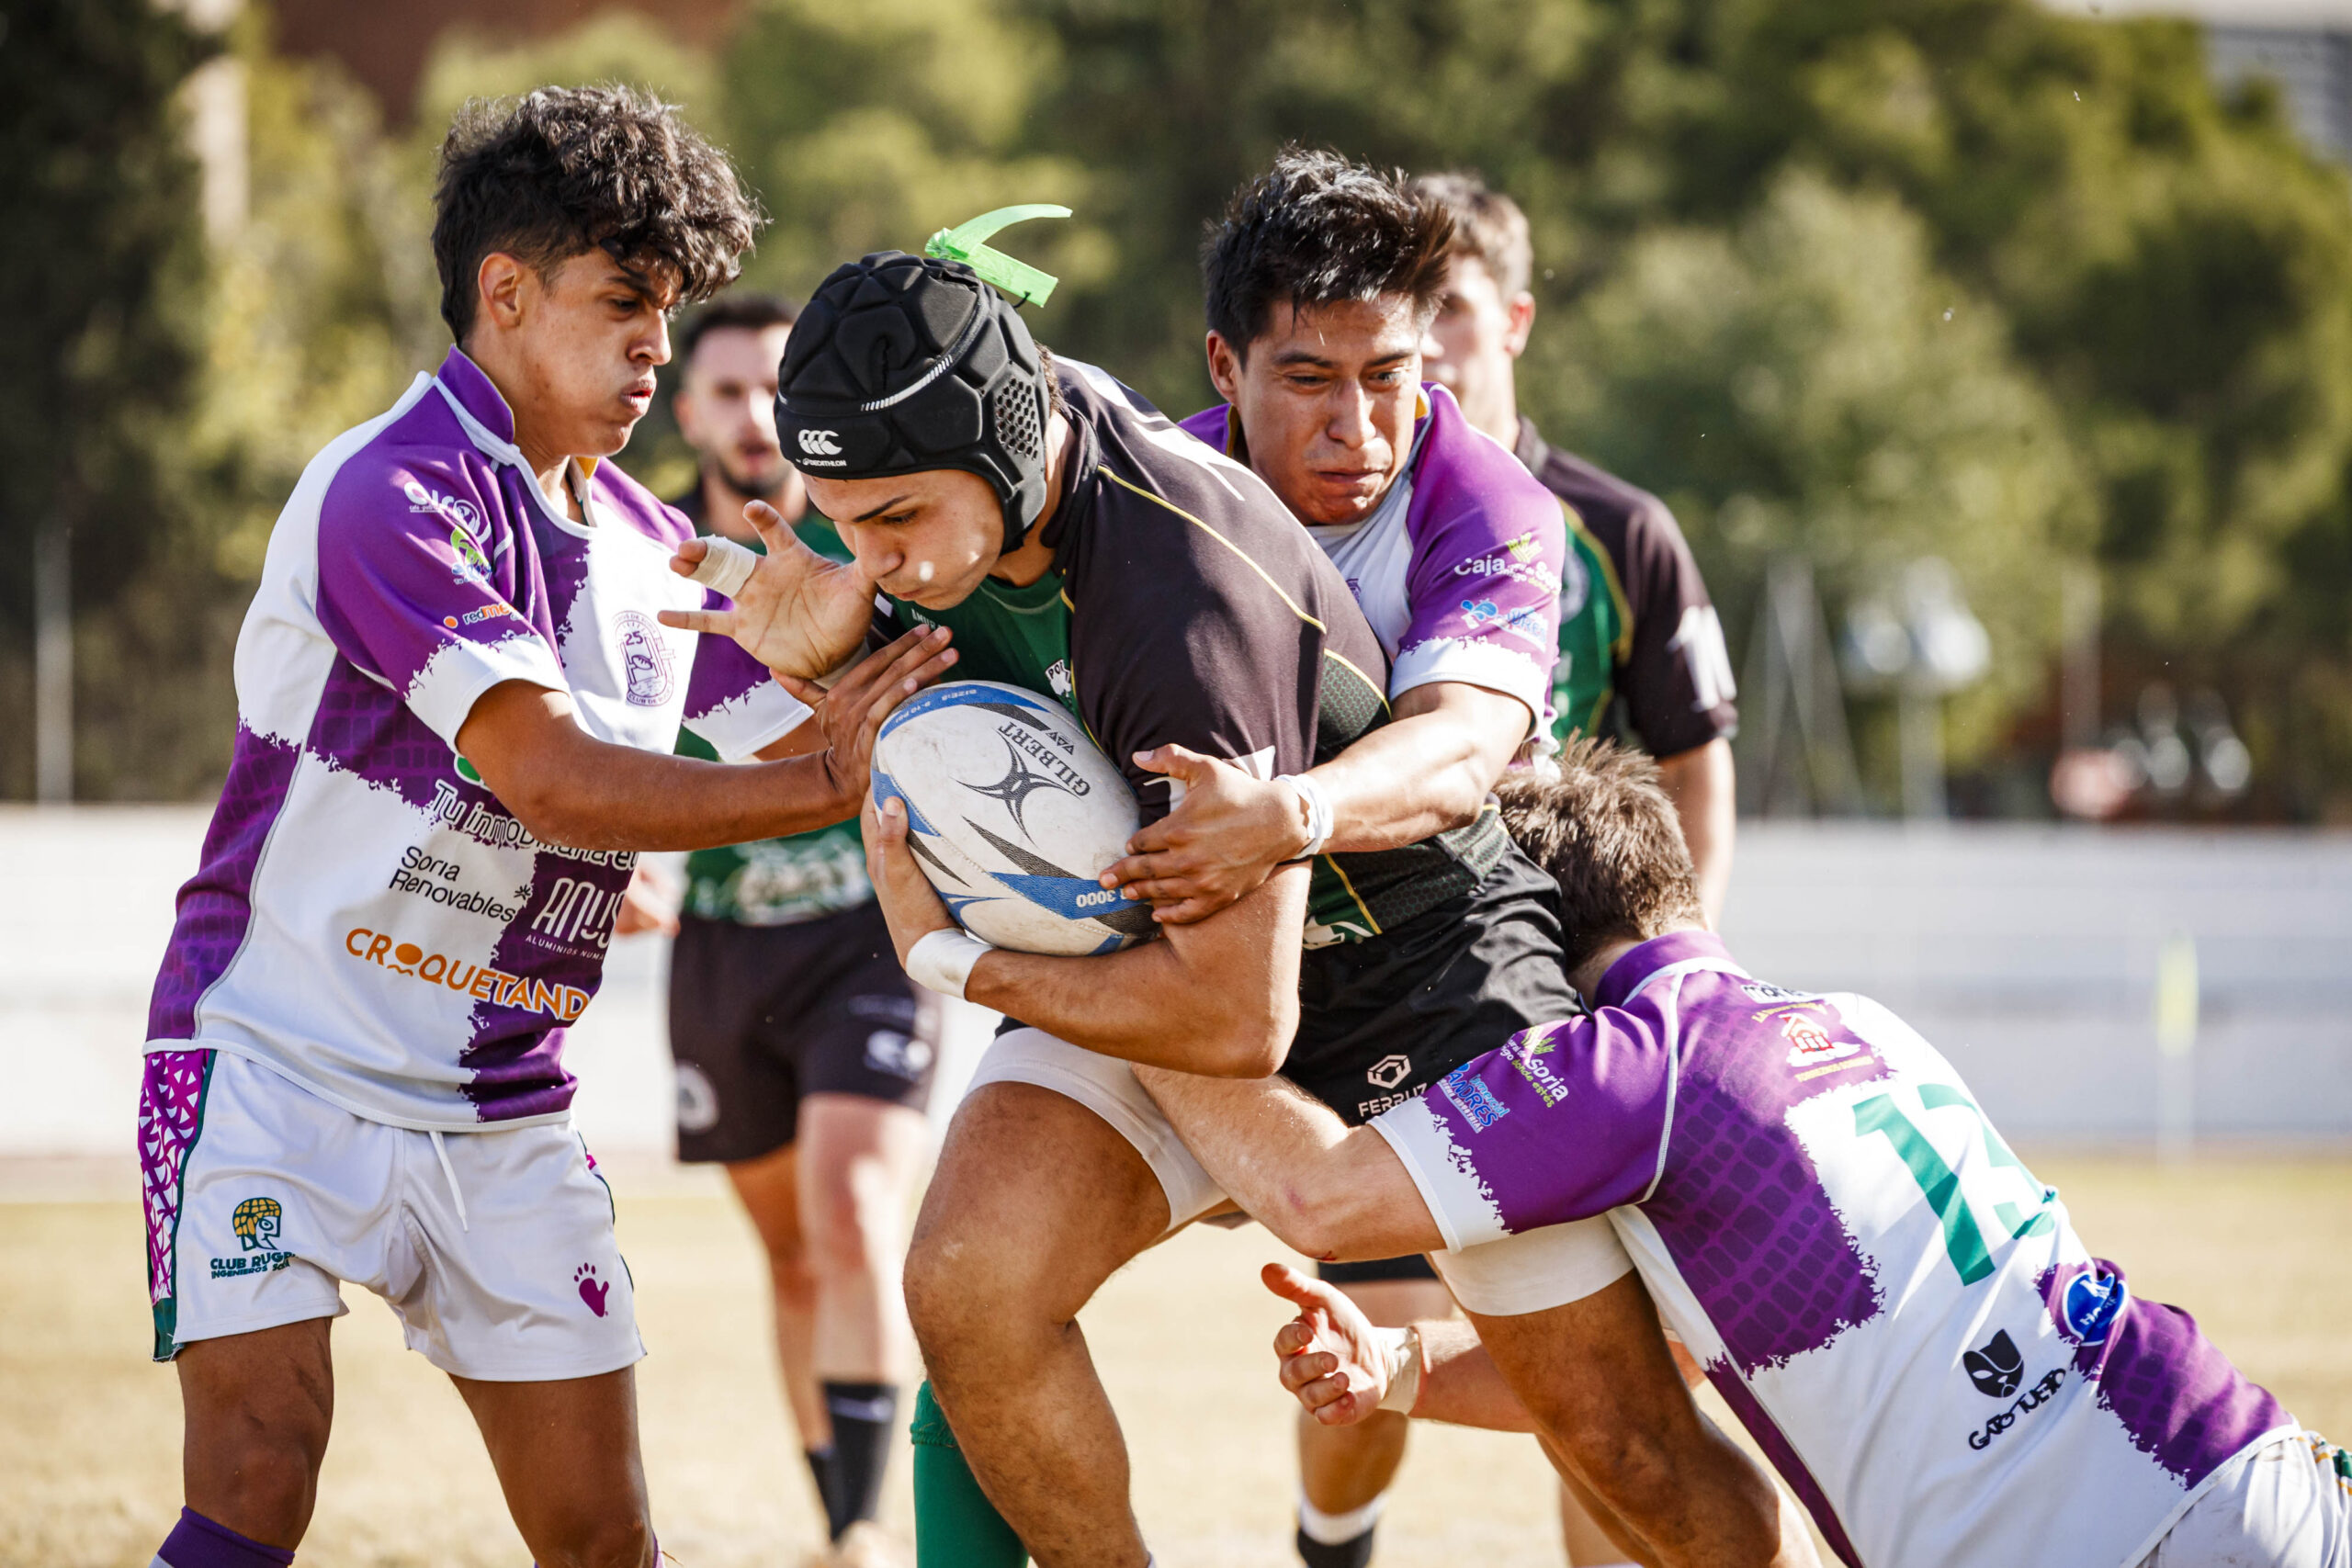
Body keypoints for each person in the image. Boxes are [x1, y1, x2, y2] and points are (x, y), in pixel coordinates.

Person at [673, 238, 1798, 1567]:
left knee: (1626, 1445)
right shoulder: (970, 460)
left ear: (1002, 442)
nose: (868, 558)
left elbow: (1232, 1024)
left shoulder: (1182, 597)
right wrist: (836, 669)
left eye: (896, 520)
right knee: (972, 1285)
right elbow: (959, 730)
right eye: (845, 518)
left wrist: (955, 962)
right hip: (1167, 938)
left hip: (1410, 970)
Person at [136, 88, 954, 1568]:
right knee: (259, 1473)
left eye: (670, 307)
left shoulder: (656, 550)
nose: (657, 343)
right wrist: (842, 765)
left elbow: (843, 750)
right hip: (271, 1062)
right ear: (503, 295)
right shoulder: (392, 493)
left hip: (506, 1103)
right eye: (625, 302)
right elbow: (555, 776)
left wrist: (860, 664)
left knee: (601, 1534)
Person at [1136, 740, 2344, 1568]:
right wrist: (1403, 1363)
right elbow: (1689, 1343)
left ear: (1531, 941)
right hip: (2252, 1466)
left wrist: (1118, 998)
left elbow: (1317, 1193)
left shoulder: (1628, 1066)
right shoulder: (1864, 1020)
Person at [1114, 148, 1573, 1568]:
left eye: (1389, 374)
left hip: (1439, 974)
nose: (1359, 420)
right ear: (1223, 363)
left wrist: (1290, 812)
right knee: (969, 1274)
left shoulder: (1494, 500)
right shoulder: (1142, 493)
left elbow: (1458, 745)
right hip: (1194, 986)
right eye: (1310, 376)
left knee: (1615, 1395)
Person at [659, 294, 936, 1566]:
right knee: (787, 1252)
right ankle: (835, 1510)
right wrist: (614, 862)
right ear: (686, 411)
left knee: (854, 1203)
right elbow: (576, 750)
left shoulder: (871, 542)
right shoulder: (632, 563)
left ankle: (864, 1527)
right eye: (726, 392)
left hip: (866, 925)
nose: (754, 416)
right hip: (719, 947)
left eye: (776, 388)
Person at [1414, 172, 1740, 924]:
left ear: (1516, 320)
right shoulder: (1344, 507)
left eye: (1453, 307)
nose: (1426, 341)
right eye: (1412, 308)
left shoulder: (1624, 529)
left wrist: (1683, 952)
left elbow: (1694, 758)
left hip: (1571, 932)